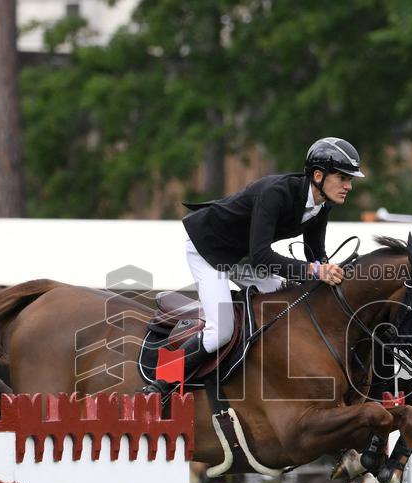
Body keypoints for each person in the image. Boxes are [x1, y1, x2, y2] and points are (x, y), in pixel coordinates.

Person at [142, 137, 365, 395]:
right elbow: (262, 257)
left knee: (284, 296)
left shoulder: (321, 205)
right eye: (343, 178)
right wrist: (314, 271)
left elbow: (315, 254)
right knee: (220, 332)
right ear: (318, 175)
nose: (349, 186)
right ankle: (160, 382)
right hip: (209, 250)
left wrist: (330, 275)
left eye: (350, 180)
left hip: (240, 257)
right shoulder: (276, 193)